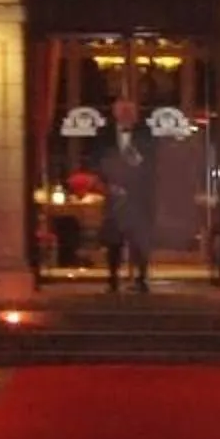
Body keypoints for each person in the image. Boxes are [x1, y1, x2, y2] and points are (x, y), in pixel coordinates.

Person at [96, 96, 157, 293]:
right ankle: (113, 279)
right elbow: (97, 162)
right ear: (115, 114)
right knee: (113, 240)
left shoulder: (146, 135)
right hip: (114, 198)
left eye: (130, 112)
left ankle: (141, 278)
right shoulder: (104, 136)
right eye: (122, 111)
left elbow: (154, 165)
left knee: (139, 240)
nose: (126, 115)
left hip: (139, 198)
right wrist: (108, 185)